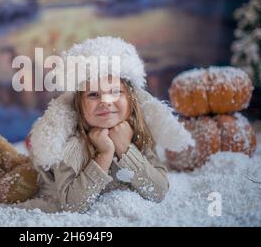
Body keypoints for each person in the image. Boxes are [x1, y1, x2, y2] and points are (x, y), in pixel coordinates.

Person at [28, 37, 194, 212]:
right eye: (93, 94)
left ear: (132, 99)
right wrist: (104, 155)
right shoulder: (70, 145)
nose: (105, 101)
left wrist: (125, 148)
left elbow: (158, 191)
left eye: (115, 92)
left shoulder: (139, 134)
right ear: (78, 104)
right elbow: (72, 206)